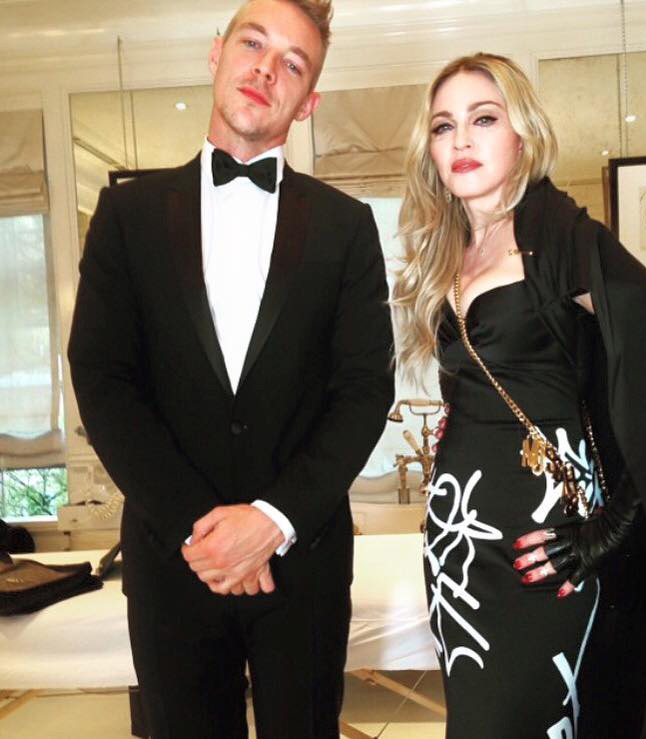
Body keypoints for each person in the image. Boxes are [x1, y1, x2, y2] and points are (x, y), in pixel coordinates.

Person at [67, 1, 394, 737]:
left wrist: (272, 520)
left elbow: (364, 390)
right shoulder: (124, 215)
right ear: (216, 54)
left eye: (292, 63)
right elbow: (102, 378)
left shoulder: (347, 225)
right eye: (253, 43)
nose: (266, 69)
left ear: (307, 103)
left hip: (303, 563)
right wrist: (201, 529)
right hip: (171, 562)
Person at [393, 53, 646, 738]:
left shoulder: (560, 239)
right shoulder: (447, 250)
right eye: (443, 125)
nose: (461, 140)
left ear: (521, 133)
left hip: (538, 547)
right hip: (458, 549)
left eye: (483, 119)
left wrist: (611, 527)